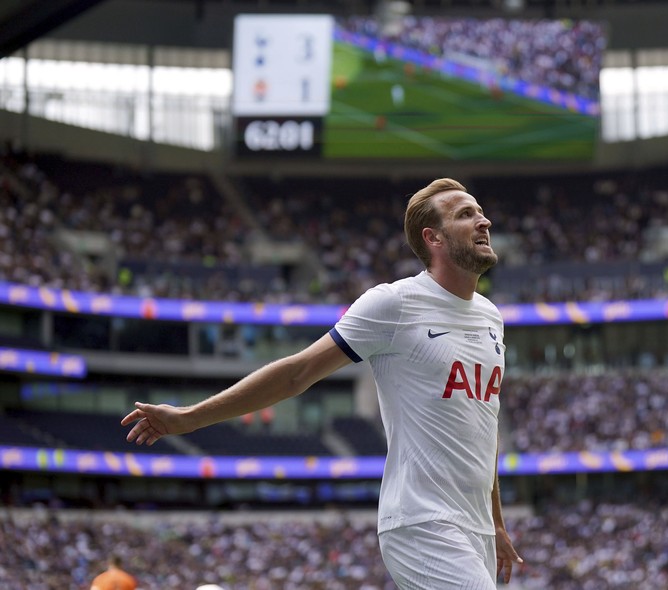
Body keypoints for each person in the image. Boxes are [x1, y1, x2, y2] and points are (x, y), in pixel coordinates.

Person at [122, 178, 523, 588]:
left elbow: (483, 424)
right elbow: (298, 372)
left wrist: (495, 521)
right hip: (423, 520)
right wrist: (189, 418)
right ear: (433, 238)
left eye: (479, 212)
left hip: (474, 527)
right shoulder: (394, 303)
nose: (484, 221)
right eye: (466, 215)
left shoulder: (491, 317)